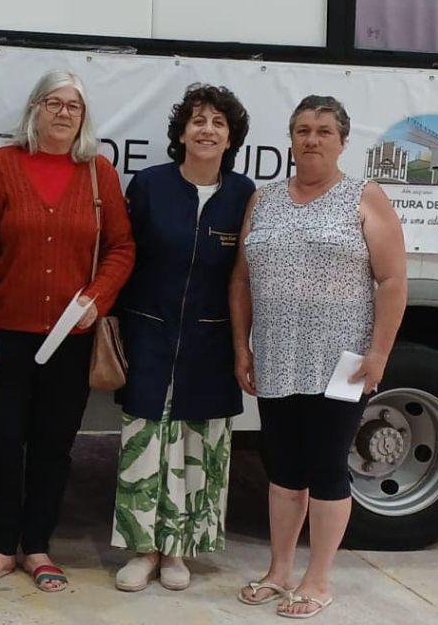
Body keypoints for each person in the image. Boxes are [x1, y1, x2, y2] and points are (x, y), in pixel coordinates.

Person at [230, 94, 406, 618]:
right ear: (290, 138)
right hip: (278, 355)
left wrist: (378, 353)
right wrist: (242, 344)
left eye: (324, 131)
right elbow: (240, 278)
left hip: (343, 360)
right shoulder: (263, 200)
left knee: (328, 467)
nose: (312, 139)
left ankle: (318, 579)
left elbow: (393, 280)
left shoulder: (363, 196)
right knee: (283, 469)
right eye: (303, 130)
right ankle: (279, 571)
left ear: (342, 142)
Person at [0, 69, 135, 592]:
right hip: (7, 337)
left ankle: (37, 546)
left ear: (84, 117)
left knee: (52, 447)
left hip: (70, 342)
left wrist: (97, 297)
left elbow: (122, 249)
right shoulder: (2, 166)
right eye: (53, 103)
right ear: (34, 109)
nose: (63, 113)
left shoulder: (98, 173)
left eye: (74, 106)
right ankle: (0, 546)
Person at [111, 84, 254, 592]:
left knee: (197, 448)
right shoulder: (149, 186)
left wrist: (245, 344)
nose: (207, 129)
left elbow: (246, 273)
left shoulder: (244, 195)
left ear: (231, 136)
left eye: (218, 122)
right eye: (197, 120)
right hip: (149, 334)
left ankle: (177, 552)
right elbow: (122, 257)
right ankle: (142, 550)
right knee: (146, 444)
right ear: (180, 132)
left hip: (210, 345)